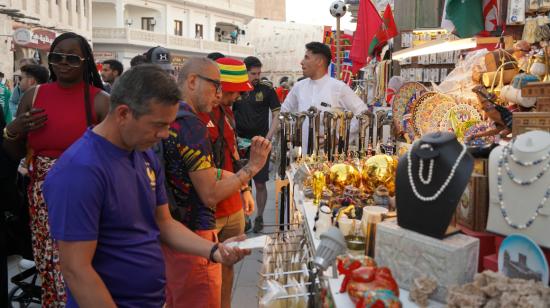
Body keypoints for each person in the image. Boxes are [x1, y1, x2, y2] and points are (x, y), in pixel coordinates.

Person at [42, 64, 249, 308]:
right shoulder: (80, 170)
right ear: (123, 114)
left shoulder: (143, 155)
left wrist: (215, 250)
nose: (164, 134)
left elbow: (164, 223)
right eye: (158, 125)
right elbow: (77, 270)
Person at [2, 32, 110, 306]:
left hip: (84, 196)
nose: (63, 63)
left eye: (72, 58)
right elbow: (15, 154)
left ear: (85, 61)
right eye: (57, 57)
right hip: (41, 198)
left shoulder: (100, 101)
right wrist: (13, 131)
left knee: (80, 264)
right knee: (48, 265)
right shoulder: (33, 95)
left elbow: (113, 157)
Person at [162, 57, 271, 308]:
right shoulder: (190, 124)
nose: (221, 95)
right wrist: (253, 167)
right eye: (216, 86)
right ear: (192, 81)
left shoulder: (175, 116)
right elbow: (209, 193)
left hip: (180, 235)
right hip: (194, 235)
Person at [197, 57, 254, 308]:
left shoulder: (227, 113)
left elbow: (232, 153)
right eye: (234, 91)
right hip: (208, 209)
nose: (236, 98)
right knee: (204, 274)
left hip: (232, 205)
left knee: (227, 267)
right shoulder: (191, 117)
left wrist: (244, 190)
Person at [281, 41, 367, 148]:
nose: (301, 62)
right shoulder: (298, 87)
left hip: (328, 159)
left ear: (319, 61)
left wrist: (338, 137)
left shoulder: (338, 87)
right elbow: (283, 112)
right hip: (301, 158)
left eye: (306, 58)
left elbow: (364, 114)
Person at [233, 56, 281, 233]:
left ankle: (259, 216)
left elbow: (277, 114)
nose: (257, 77)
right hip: (240, 145)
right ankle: (244, 217)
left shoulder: (267, 90)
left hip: (260, 145)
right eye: (253, 73)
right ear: (245, 73)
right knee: (241, 183)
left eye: (259, 73)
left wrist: (268, 138)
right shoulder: (237, 90)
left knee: (260, 184)